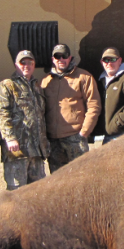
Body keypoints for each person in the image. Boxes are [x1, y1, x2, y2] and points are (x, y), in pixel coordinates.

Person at [41, 44, 101, 172]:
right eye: (57, 56)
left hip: (75, 138)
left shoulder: (84, 77)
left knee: (80, 177)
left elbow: (94, 105)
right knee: (57, 180)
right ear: (53, 59)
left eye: (64, 56)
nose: (61, 59)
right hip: (54, 140)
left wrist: (84, 131)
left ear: (70, 58)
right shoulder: (46, 81)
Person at [0, 50, 49, 191]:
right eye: (22, 62)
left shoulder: (37, 87)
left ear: (34, 65)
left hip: (36, 151)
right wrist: (10, 138)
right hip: (17, 151)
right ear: (16, 65)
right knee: (17, 193)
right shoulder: (7, 85)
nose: (26, 65)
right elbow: (2, 113)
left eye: (30, 62)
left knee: (38, 192)